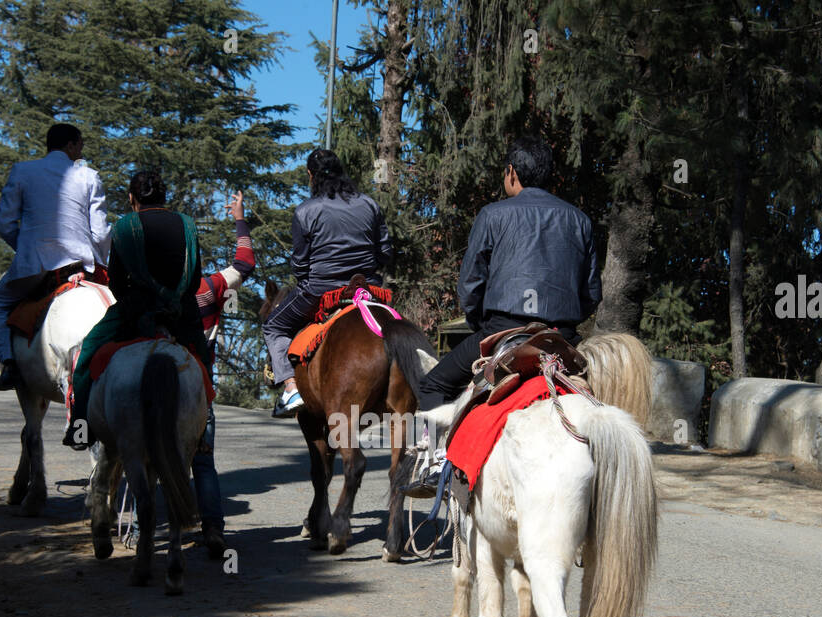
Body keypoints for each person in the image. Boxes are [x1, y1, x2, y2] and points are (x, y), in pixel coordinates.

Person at [402, 136, 601, 495]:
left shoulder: (493, 214)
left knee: (432, 384)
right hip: (561, 338)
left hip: (503, 331)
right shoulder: (580, 220)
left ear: (511, 173)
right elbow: (591, 295)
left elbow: (471, 284)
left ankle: (430, 462)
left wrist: (481, 325)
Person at [64, 170, 203, 449]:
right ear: (165, 196)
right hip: (182, 313)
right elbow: (195, 278)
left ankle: (81, 428)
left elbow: (116, 281)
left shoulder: (126, 226)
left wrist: (137, 304)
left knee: (87, 353)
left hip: (137, 308)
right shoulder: (188, 225)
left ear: (132, 198)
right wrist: (174, 302)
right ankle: (203, 431)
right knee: (203, 362)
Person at [262, 149, 392, 417]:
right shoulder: (370, 204)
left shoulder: (305, 211)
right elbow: (385, 253)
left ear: (311, 176)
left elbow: (299, 266)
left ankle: (290, 388)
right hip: (368, 290)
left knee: (273, 326)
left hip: (321, 292)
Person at [0, 123, 111, 391]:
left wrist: (25, 250)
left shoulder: (22, 170)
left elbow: (4, 225)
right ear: (69, 145)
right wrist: (98, 264)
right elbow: (101, 233)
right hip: (80, 264)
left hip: (35, 265)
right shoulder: (89, 176)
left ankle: (8, 365)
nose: (81, 151)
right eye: (79, 145)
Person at [190, 190, 256, 558]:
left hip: (158, 391)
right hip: (201, 392)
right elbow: (245, 262)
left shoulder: (153, 293)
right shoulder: (211, 287)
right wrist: (239, 219)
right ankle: (213, 529)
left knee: (147, 457)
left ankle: (136, 528)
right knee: (204, 463)